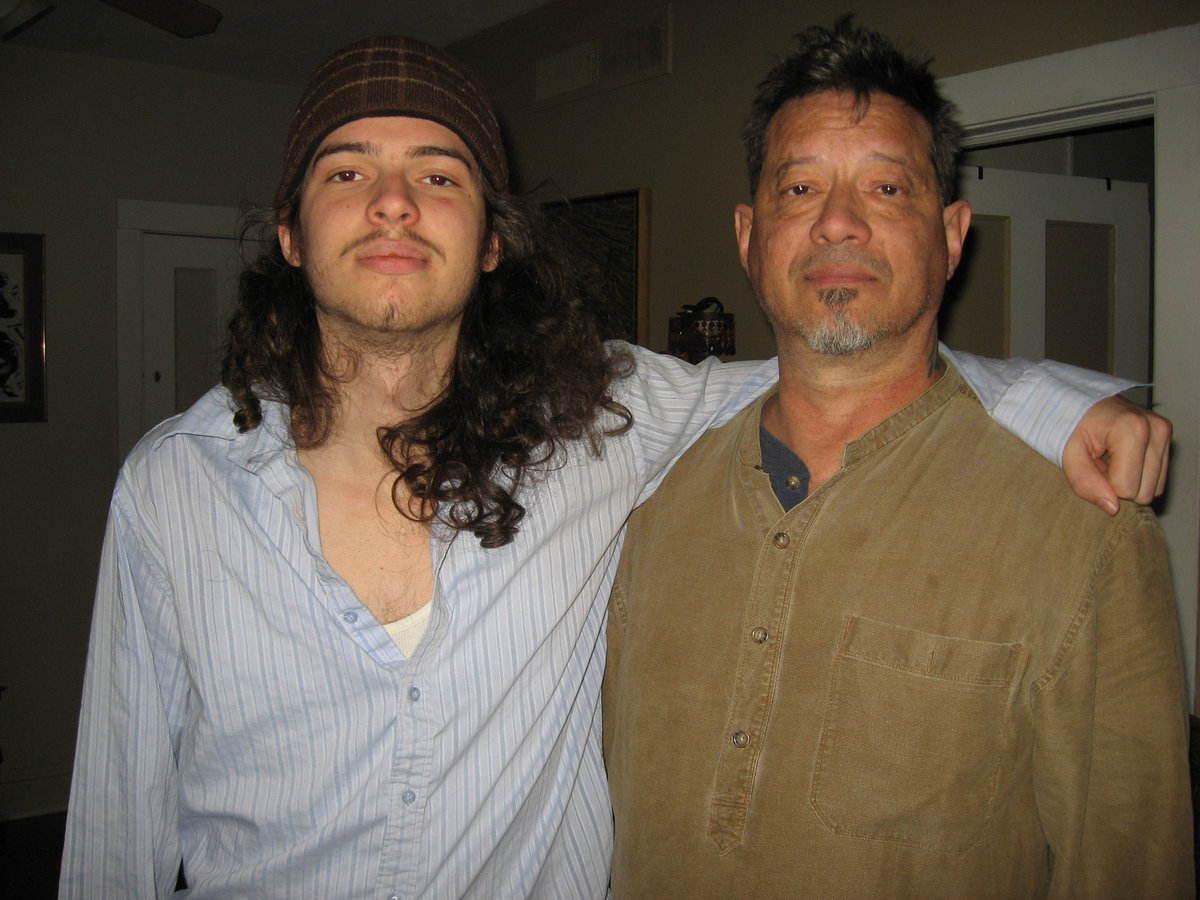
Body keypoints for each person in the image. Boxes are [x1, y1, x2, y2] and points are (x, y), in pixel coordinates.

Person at [60, 34, 1170, 900]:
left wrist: (1046, 398)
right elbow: (112, 843)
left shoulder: (593, 426)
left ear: (493, 242)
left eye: (438, 175)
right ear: (291, 233)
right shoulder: (174, 491)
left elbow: (834, 360)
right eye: (349, 171)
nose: (394, 201)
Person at [603, 18, 1192, 899]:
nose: (838, 223)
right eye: (800, 188)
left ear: (952, 236)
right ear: (749, 236)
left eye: (885, 188)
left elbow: (1131, 865)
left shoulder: (1083, 525)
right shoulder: (648, 491)